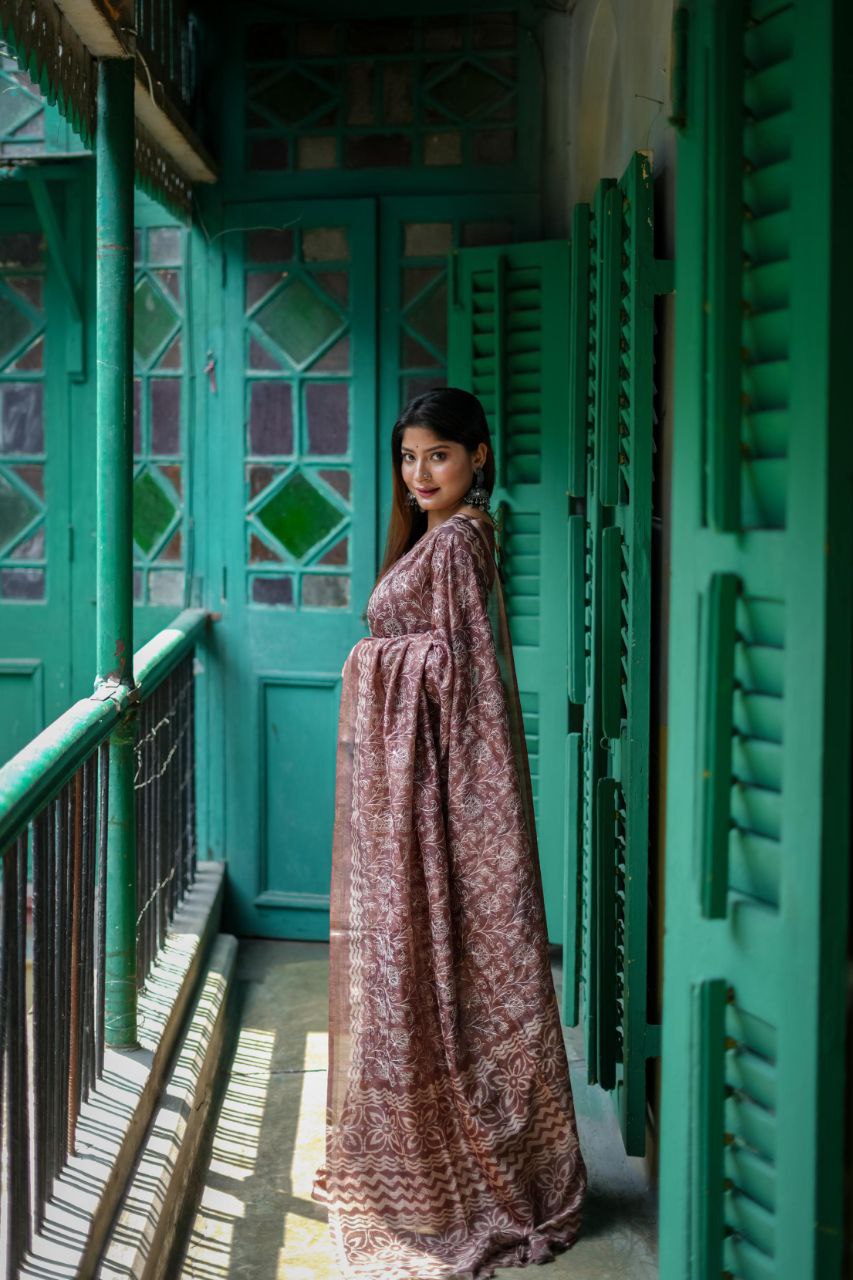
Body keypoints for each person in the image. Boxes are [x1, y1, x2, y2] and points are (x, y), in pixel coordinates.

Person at [313, 388, 588, 1278]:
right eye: (407, 458)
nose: (419, 473)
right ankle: (427, 1156)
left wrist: (370, 657)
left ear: (478, 456)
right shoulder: (436, 540)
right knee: (412, 963)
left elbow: (464, 674)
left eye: (437, 455)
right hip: (413, 789)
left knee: (432, 960)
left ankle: (473, 1175)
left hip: (435, 792)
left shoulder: (463, 539)